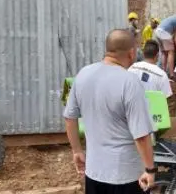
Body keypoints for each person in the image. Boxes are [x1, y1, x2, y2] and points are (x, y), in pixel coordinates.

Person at [64, 29, 157, 194]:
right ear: (131, 53)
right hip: (127, 176)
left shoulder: (83, 74)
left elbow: (69, 117)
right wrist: (150, 169)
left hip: (94, 173)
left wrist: (77, 150)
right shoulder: (130, 82)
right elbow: (141, 136)